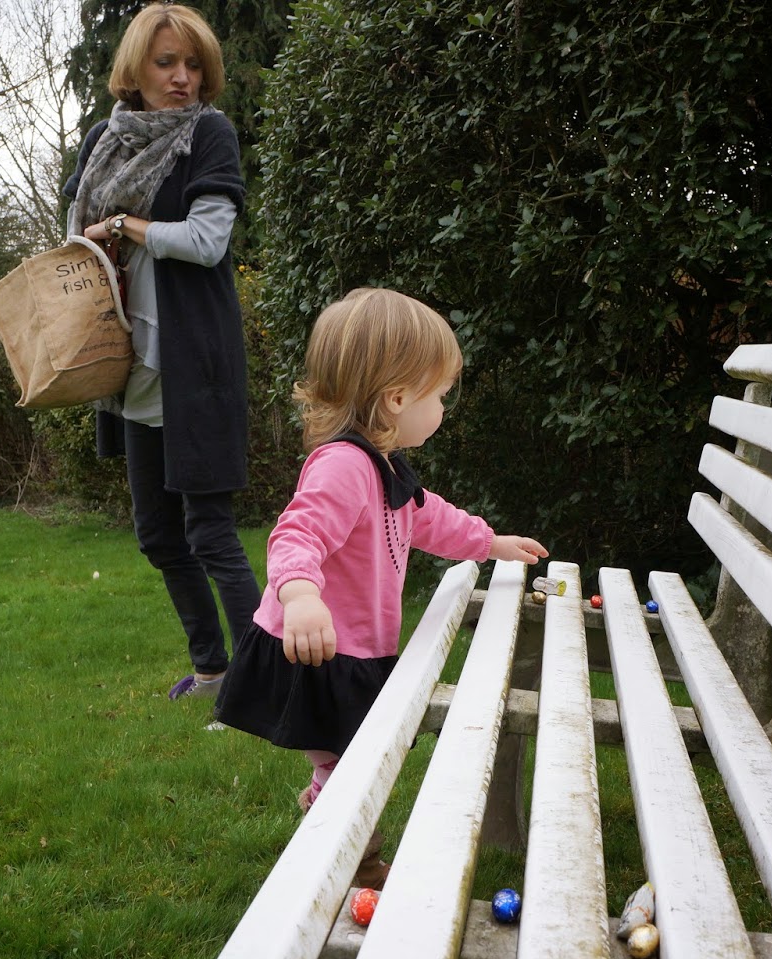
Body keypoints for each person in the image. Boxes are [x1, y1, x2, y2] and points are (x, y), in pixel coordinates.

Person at [213, 288, 548, 886]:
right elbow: (296, 534)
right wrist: (300, 595)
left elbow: (428, 517)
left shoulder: (383, 464)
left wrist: (490, 543)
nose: (443, 408)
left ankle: (339, 836)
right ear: (396, 399)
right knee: (353, 762)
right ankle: (350, 858)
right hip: (320, 650)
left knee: (355, 757)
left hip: (356, 648)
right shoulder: (344, 465)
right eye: (439, 395)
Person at [62, 3, 258, 705]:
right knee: (157, 536)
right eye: (165, 62)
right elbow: (73, 235)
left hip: (193, 364)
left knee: (210, 532)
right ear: (135, 69)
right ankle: (213, 670)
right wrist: (99, 232)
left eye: (193, 64)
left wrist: (124, 223)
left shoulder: (209, 134)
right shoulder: (103, 140)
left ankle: (262, 683)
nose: (182, 78)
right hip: (129, 368)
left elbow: (206, 242)